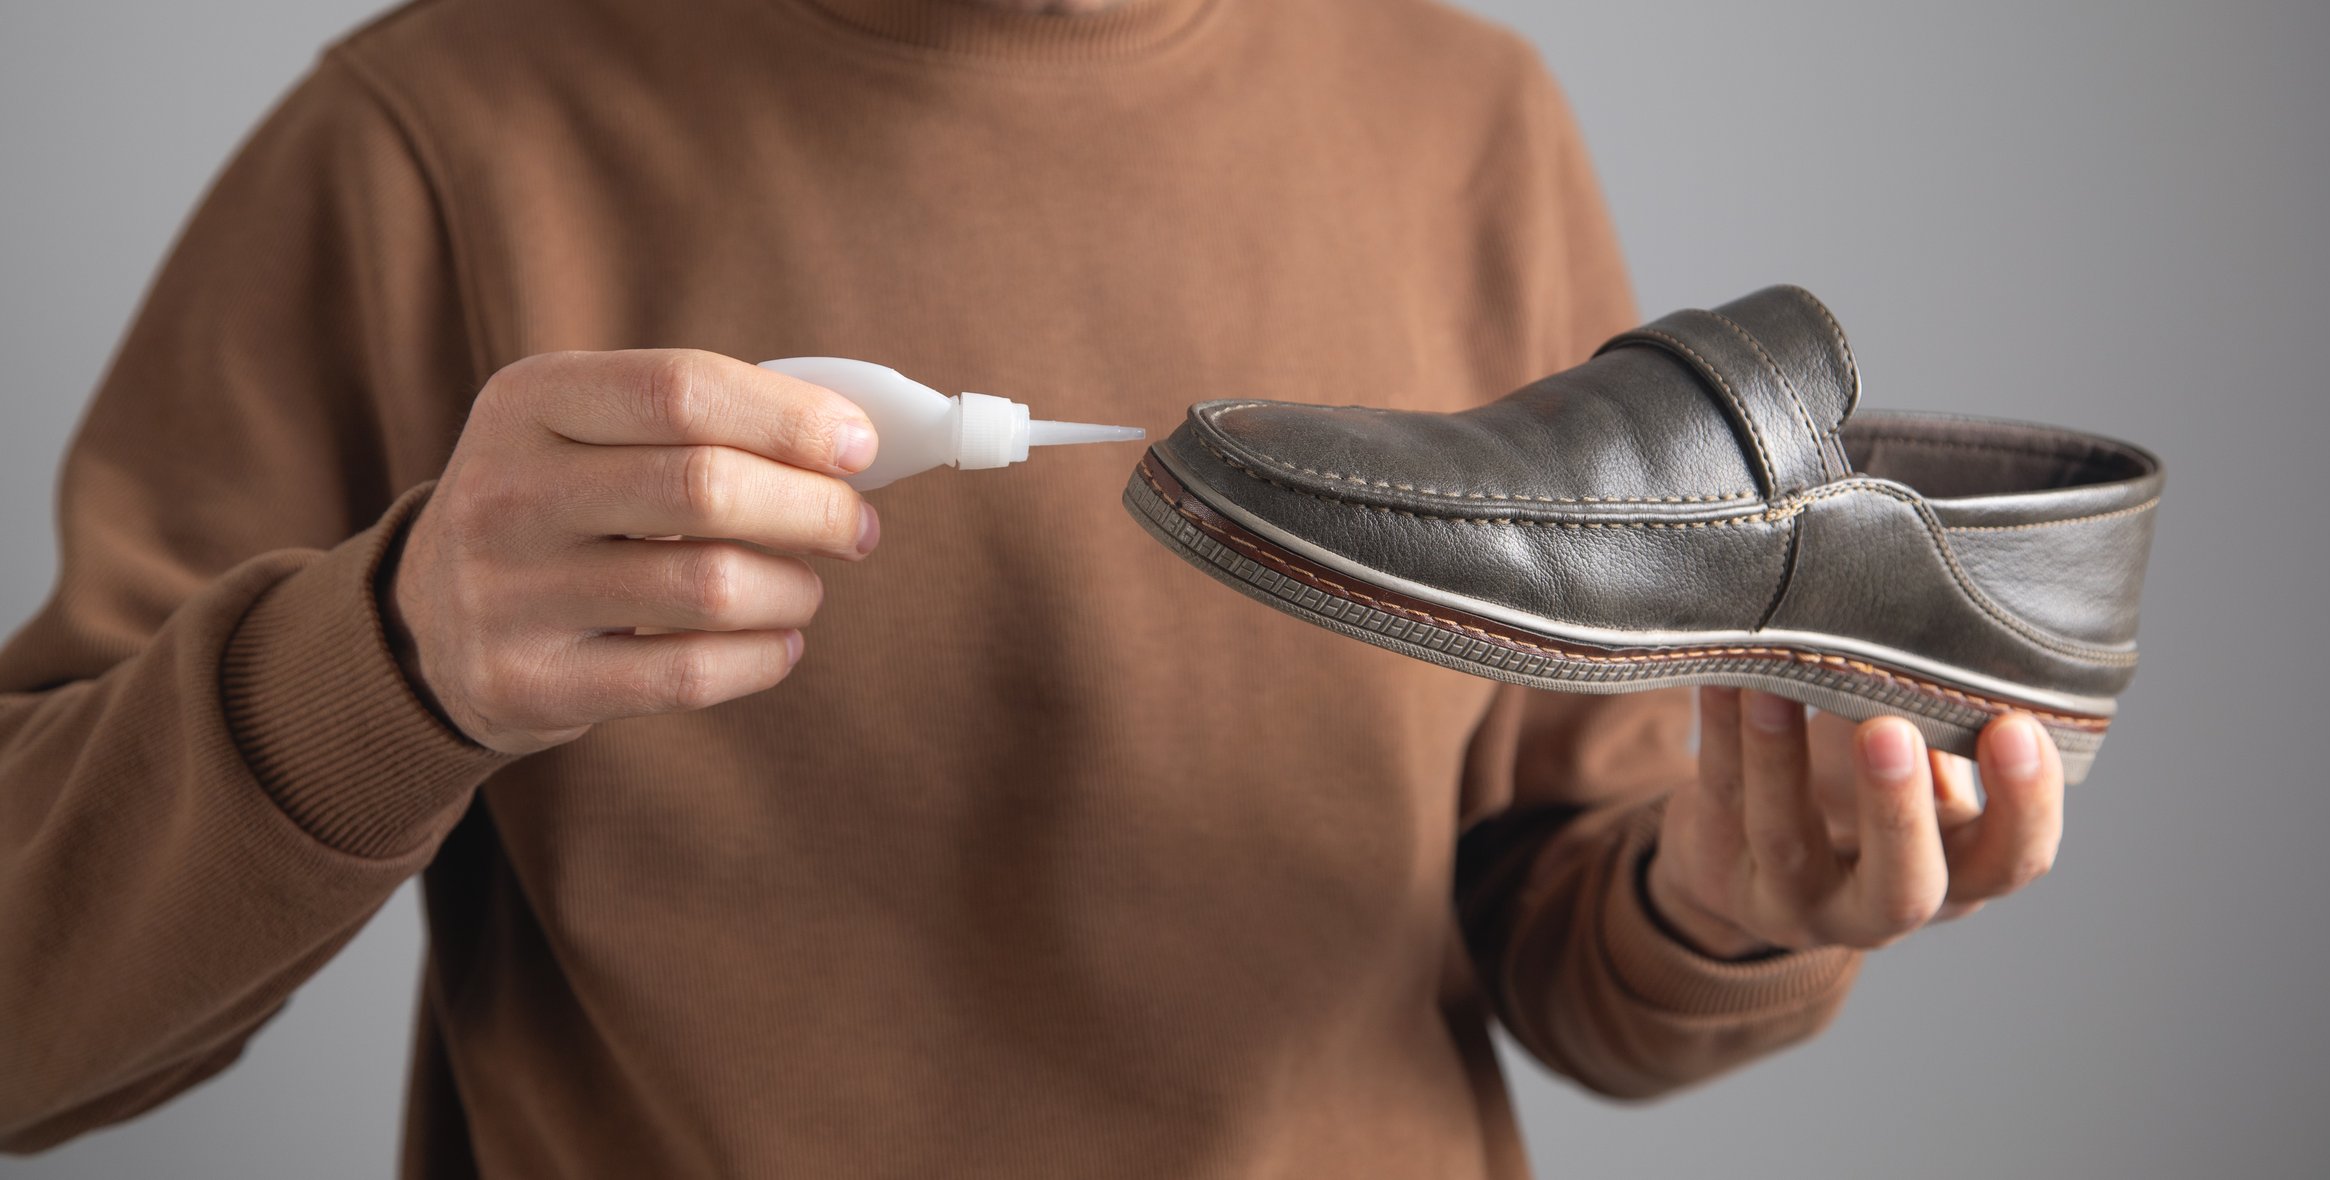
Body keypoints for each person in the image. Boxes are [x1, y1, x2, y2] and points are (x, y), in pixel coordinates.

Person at [0, 0, 2067, 1174]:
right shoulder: (432, 135)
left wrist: (1722, 903)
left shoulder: (1467, 120)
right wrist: (391, 663)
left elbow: (1560, 930)